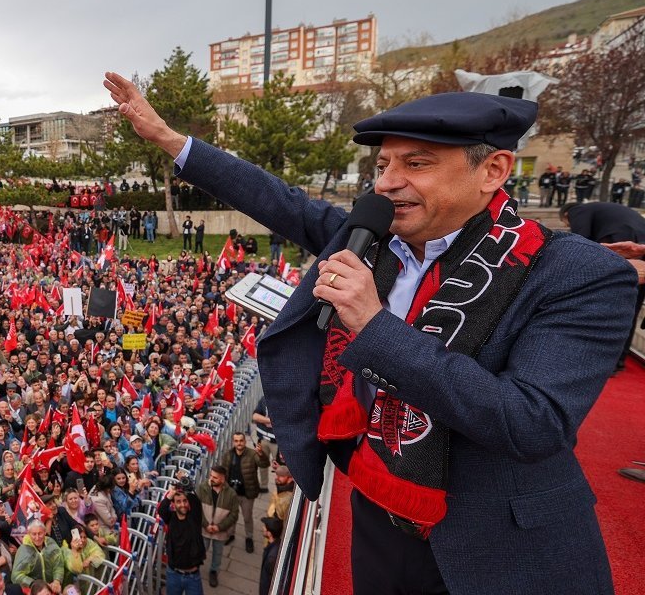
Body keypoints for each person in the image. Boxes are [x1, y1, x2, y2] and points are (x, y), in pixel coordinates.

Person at [106, 72, 634, 594]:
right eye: (382, 165)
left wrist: (375, 325)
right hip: (378, 513)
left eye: (416, 164)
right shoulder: (369, 238)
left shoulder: (574, 273)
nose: (385, 183)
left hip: (497, 545)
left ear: (493, 169)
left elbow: (530, 423)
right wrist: (169, 139)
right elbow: (273, 198)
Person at [561, 201, 645, 370]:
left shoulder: (578, 209)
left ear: (566, 215)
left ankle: (596, 360)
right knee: (631, 308)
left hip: (618, 242)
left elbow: (579, 240)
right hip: (641, 246)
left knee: (608, 305)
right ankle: (617, 362)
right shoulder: (608, 209)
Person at [221, 433, 269, 553]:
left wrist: (261, 454)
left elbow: (264, 464)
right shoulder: (228, 455)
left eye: (241, 440)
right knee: (231, 516)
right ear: (233, 442)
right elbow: (224, 472)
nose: (239, 443)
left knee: (247, 517)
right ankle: (230, 534)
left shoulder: (252, 454)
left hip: (247, 493)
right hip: (231, 493)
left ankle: (249, 537)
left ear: (244, 441)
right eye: (236, 441)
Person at [195, 466, 239, 588]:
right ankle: (194, 570)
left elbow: (234, 515)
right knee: (200, 551)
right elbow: (196, 508)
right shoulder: (202, 488)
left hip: (220, 533)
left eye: (215, 477)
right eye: (211, 476)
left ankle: (214, 572)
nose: (211, 479)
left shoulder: (231, 494)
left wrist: (219, 527)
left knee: (217, 554)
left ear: (222, 479)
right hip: (204, 530)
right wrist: (205, 524)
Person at [157, 486, 205, 595]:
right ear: (173, 505)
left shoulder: (194, 518)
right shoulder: (171, 518)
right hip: (174, 574)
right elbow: (161, 510)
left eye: (185, 501)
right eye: (178, 502)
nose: (182, 504)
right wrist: (170, 495)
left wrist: (186, 484)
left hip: (193, 576)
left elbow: (196, 502)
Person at [11, 520, 65, 595]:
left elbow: (58, 564)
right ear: (29, 534)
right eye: (34, 534)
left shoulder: (51, 543)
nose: (37, 537)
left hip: (51, 588)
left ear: (45, 532)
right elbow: (16, 575)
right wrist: (33, 583)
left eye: (40, 533)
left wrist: (57, 580)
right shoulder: (23, 550)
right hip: (33, 591)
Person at [258, 517, 284, 595]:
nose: (263, 528)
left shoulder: (271, 558)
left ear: (269, 534)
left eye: (265, 527)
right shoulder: (277, 544)